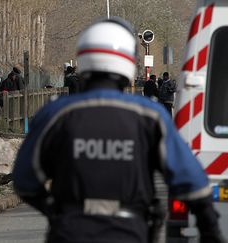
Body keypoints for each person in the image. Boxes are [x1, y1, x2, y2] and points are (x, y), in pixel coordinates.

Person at [12, 17, 226, 243]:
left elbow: (25, 181)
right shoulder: (150, 116)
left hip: (69, 231)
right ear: (128, 62)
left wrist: (55, 211)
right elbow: (190, 180)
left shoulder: (55, 115)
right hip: (130, 232)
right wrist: (209, 228)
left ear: (83, 58)